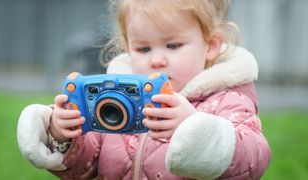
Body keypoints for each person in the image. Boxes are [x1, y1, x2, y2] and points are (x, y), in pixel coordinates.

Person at [17, 0, 271, 179]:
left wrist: (196, 129)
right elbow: (83, 168)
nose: (156, 60)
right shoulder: (113, 99)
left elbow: (254, 160)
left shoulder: (226, 99)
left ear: (211, 45)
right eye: (143, 49)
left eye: (173, 45)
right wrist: (63, 134)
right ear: (127, 48)